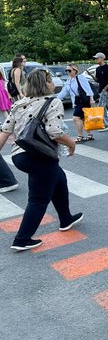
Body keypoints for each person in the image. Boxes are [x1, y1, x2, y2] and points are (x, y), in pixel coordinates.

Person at [0, 68, 83, 251]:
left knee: (58, 177)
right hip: (40, 155)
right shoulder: (53, 102)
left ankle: (65, 218)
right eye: (51, 80)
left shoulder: (20, 103)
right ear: (45, 84)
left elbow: (5, 131)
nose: (53, 83)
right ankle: (22, 239)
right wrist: (72, 144)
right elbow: (55, 132)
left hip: (20, 156)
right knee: (38, 199)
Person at [57, 64, 95, 142]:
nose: (68, 72)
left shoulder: (80, 78)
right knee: (83, 118)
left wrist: (91, 99)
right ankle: (90, 135)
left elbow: (87, 88)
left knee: (76, 118)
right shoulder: (69, 80)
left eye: (69, 70)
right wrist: (55, 99)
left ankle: (80, 136)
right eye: (66, 70)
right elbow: (64, 92)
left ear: (75, 70)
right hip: (77, 102)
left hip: (84, 101)